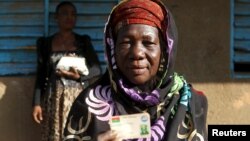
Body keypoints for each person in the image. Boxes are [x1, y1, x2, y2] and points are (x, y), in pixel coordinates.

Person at [63, 0, 208, 140]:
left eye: (148, 42)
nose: (137, 53)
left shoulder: (190, 102)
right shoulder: (89, 103)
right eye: (126, 42)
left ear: (164, 50)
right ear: (113, 48)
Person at [32, 1, 102, 141]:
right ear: (56, 17)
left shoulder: (83, 41)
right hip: (54, 100)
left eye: (73, 14)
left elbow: (96, 70)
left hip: (78, 98)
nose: (69, 17)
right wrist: (36, 104)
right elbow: (41, 75)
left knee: (76, 134)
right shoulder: (45, 44)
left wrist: (78, 77)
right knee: (55, 135)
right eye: (64, 13)